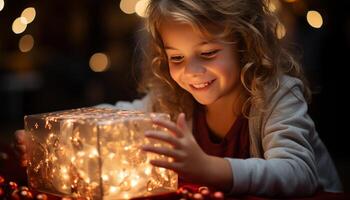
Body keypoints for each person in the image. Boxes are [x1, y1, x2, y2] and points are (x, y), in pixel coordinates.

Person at [15, 0, 342, 197]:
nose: (192, 72)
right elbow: (122, 115)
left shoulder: (275, 94)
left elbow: (298, 173)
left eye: (208, 53)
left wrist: (209, 169)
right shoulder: (174, 98)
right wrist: (56, 136)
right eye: (176, 58)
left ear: (245, 44)